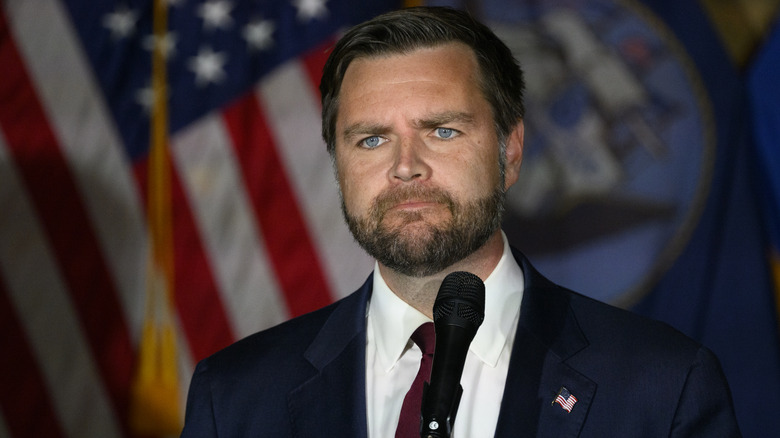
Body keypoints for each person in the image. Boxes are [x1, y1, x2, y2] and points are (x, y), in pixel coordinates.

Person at [180, 6, 740, 437]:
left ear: (510, 151)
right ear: (338, 165)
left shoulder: (664, 387)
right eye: (372, 139)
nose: (405, 167)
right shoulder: (234, 398)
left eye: (442, 131)